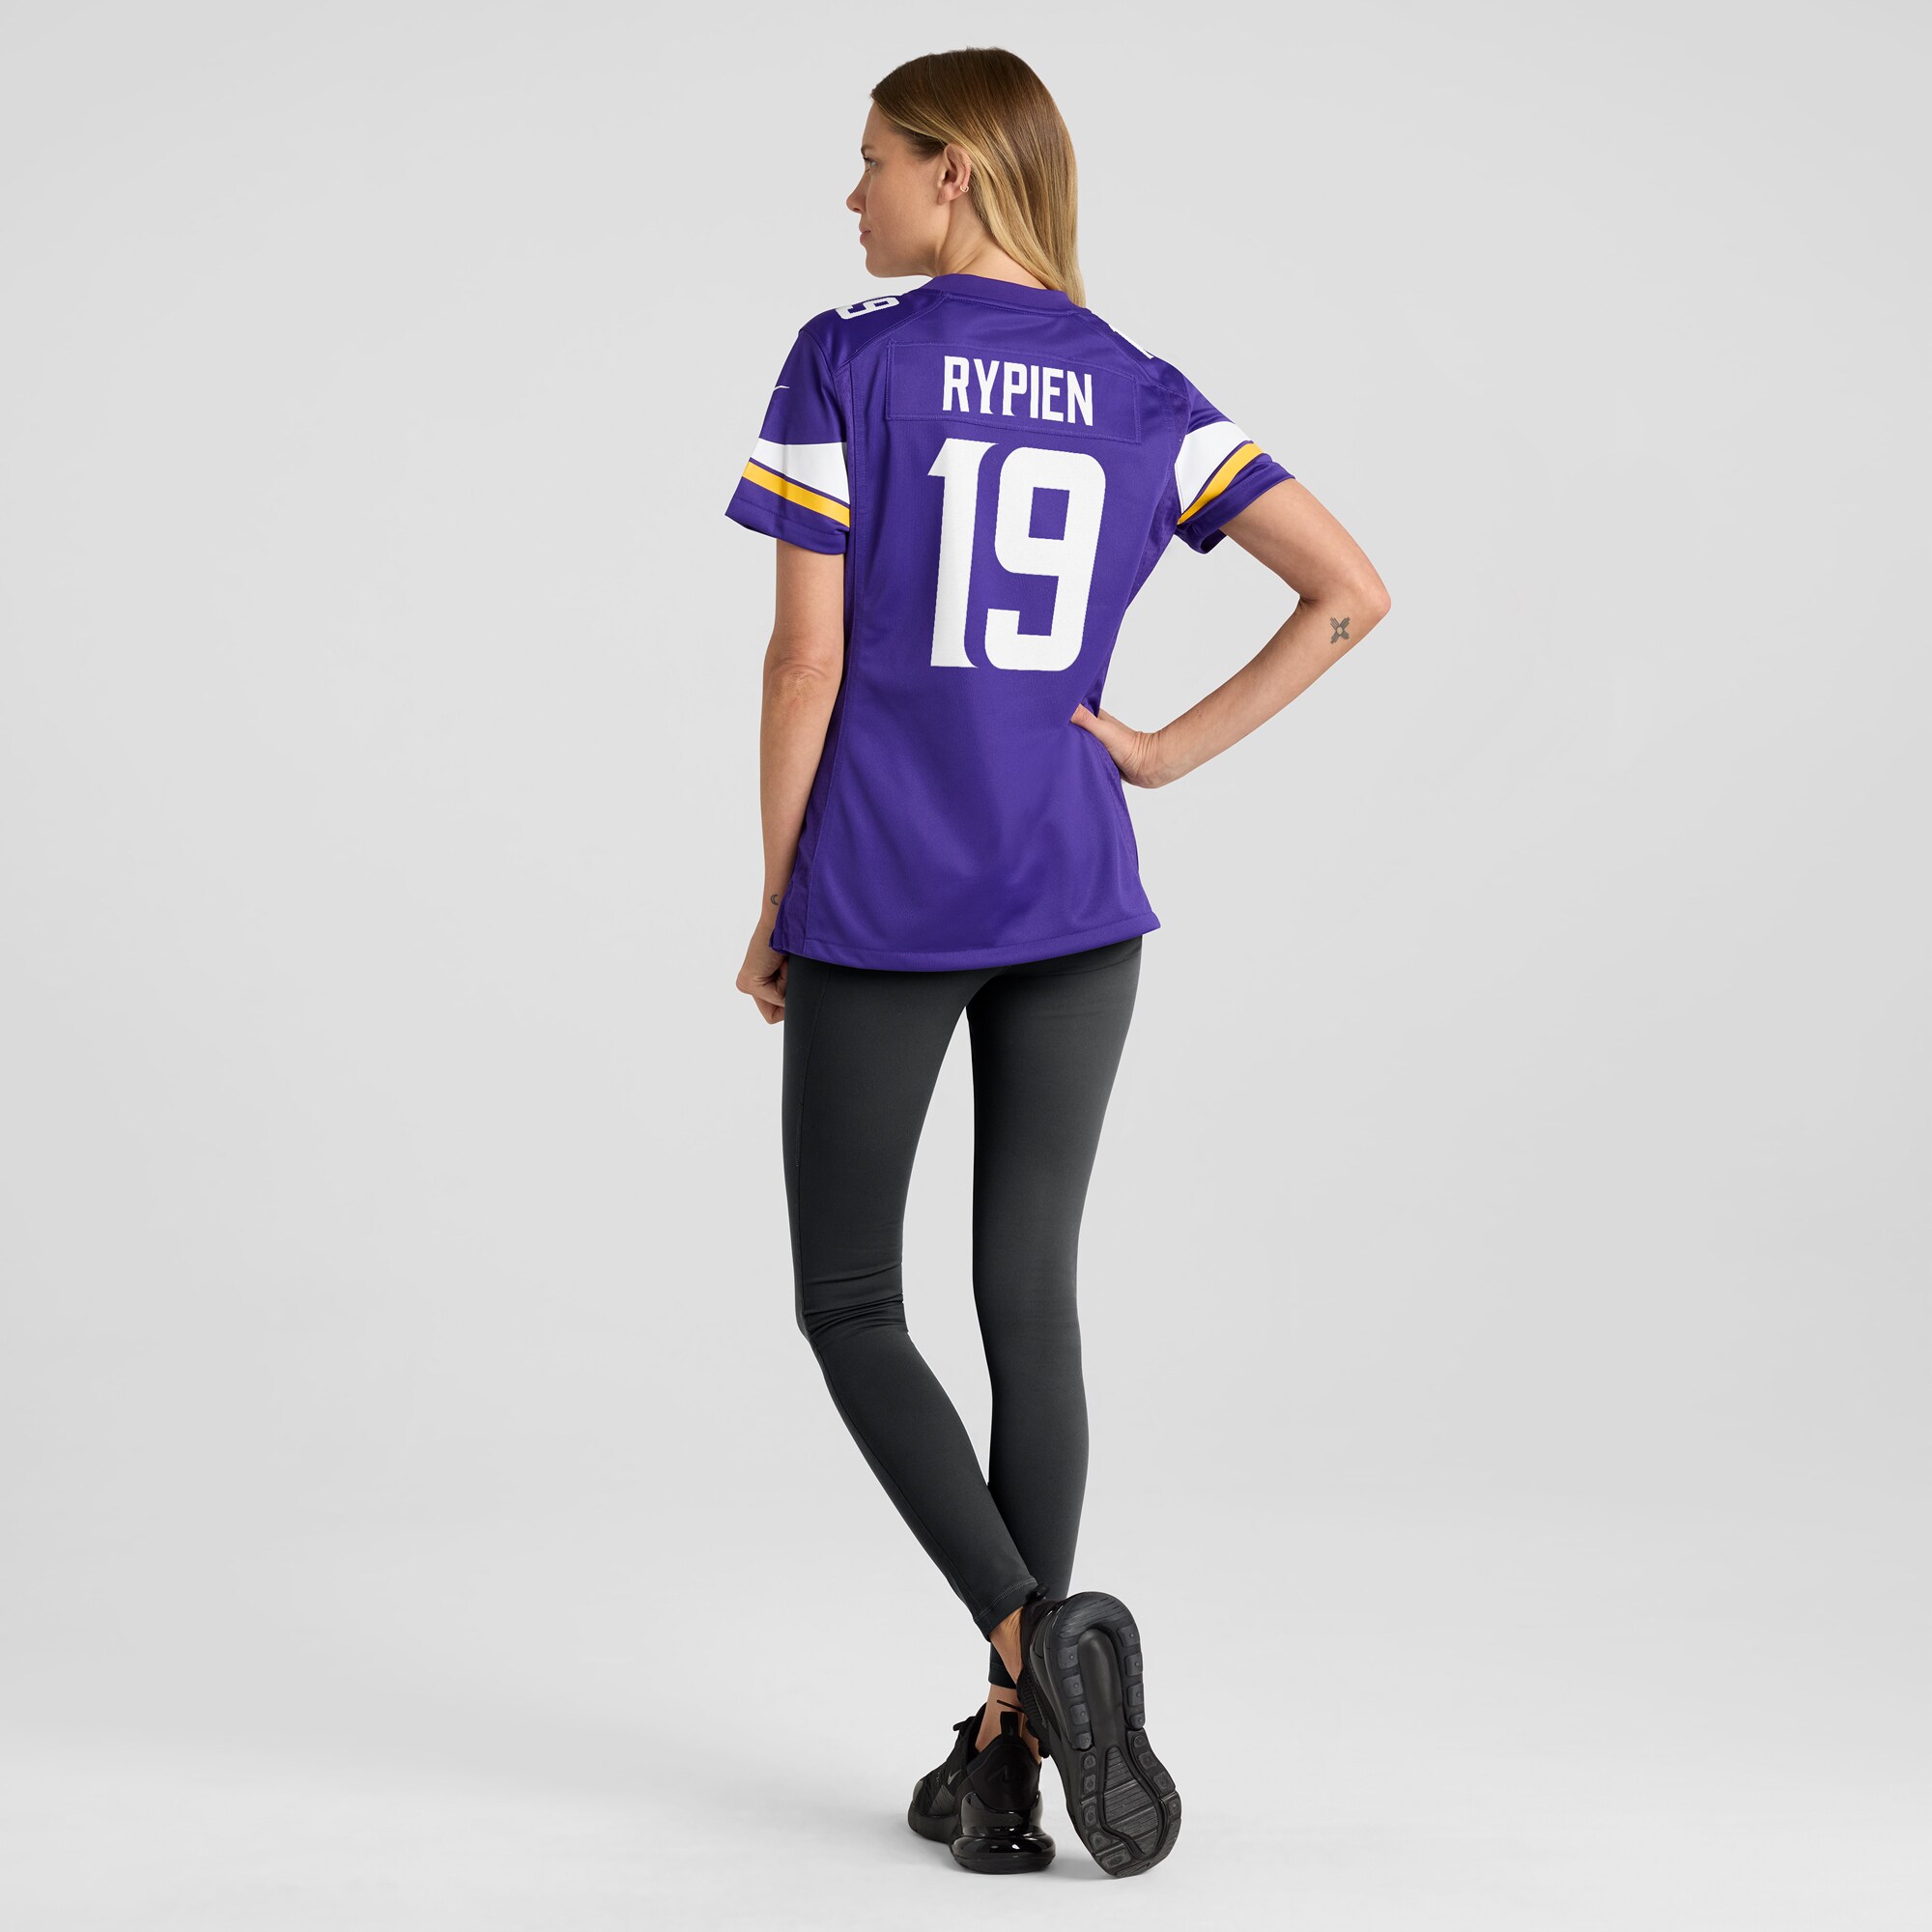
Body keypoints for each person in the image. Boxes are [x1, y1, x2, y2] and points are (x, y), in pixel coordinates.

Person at [725, 47, 1391, 1879]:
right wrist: (1158, 753)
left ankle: (1030, 1655)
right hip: (1079, 899)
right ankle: (1009, 1759)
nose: (851, 195)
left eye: (872, 160)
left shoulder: (844, 362)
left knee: (851, 1306)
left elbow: (804, 662)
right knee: (1031, 1302)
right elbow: (1349, 590)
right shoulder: (1141, 390)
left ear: (953, 170)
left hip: (884, 892)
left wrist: (777, 893)